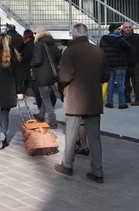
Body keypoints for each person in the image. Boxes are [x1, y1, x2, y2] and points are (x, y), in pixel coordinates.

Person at [55, 24, 110, 183]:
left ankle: (67, 165)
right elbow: (106, 75)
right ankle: (97, 171)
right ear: (86, 34)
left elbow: (64, 76)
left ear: (73, 36)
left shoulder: (70, 51)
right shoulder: (98, 51)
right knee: (94, 136)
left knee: (71, 134)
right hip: (93, 99)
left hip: (74, 99)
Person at [30, 30, 61, 129]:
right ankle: (41, 115)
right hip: (52, 75)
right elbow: (59, 59)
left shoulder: (39, 45)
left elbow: (37, 60)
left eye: (35, 33)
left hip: (42, 76)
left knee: (45, 98)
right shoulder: (54, 45)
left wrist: (31, 64)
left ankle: (52, 120)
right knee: (46, 96)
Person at [99, 23, 132, 109]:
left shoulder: (103, 39)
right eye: (118, 29)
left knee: (110, 85)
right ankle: (122, 104)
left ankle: (110, 102)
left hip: (108, 65)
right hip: (120, 65)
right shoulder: (120, 39)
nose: (120, 30)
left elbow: (100, 50)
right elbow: (129, 47)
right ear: (114, 30)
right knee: (121, 84)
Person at [122, 21, 139, 105]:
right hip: (124, 63)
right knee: (125, 82)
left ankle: (138, 99)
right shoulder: (120, 38)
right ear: (123, 28)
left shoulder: (136, 37)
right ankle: (127, 98)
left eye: (129, 27)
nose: (128, 29)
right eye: (126, 27)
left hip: (134, 63)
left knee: (136, 82)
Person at [18, 29, 34, 95]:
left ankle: (21, 93)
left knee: (24, 81)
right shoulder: (34, 43)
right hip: (32, 66)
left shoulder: (26, 45)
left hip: (26, 66)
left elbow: (25, 57)